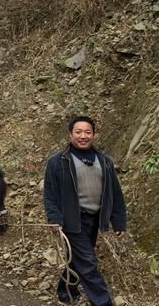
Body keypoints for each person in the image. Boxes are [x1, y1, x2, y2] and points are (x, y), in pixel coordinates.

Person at [43, 116, 127, 306]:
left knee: (78, 258)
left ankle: (65, 291)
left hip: (94, 219)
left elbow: (114, 192)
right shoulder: (58, 162)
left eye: (87, 132)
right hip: (72, 219)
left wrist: (118, 221)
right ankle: (103, 303)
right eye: (78, 132)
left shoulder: (104, 161)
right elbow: (50, 193)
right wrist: (54, 217)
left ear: (94, 135)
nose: (83, 136)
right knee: (88, 262)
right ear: (70, 134)